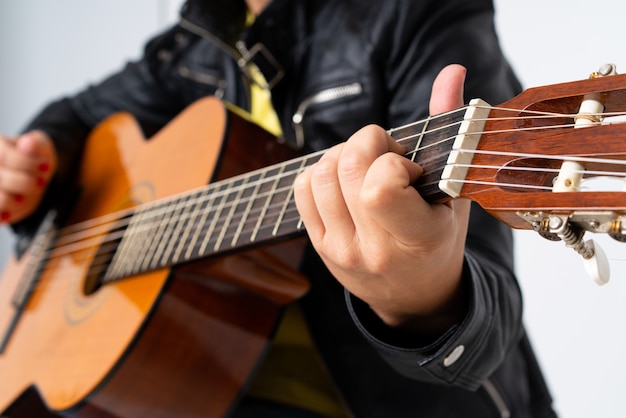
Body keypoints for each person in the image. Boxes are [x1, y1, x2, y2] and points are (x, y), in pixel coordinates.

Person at [0, 0, 558, 417]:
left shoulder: (414, 13)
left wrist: (421, 296)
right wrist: (40, 154)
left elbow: (493, 315)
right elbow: (77, 114)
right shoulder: (193, 41)